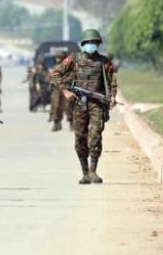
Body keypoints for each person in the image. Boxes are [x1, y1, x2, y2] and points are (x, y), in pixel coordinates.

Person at [50, 29, 117, 185]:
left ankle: (93, 171)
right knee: (80, 138)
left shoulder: (104, 62)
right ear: (83, 44)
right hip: (80, 103)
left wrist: (113, 97)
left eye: (94, 43)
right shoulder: (74, 59)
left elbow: (112, 81)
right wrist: (65, 91)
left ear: (98, 44)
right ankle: (85, 172)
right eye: (88, 43)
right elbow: (55, 74)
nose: (91, 45)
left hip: (97, 104)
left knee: (95, 137)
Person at [49, 52, 69, 132]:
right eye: (57, 57)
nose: (58, 59)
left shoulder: (69, 67)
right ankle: (56, 123)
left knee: (68, 106)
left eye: (60, 57)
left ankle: (71, 121)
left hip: (67, 89)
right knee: (56, 106)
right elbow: (51, 78)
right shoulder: (55, 67)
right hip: (57, 90)